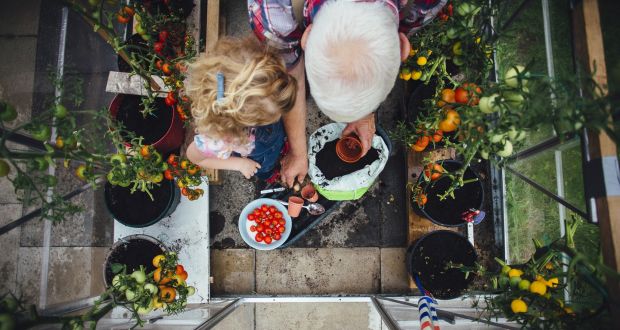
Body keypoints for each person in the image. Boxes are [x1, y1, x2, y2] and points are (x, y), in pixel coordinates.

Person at [248, 0, 446, 187]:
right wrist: (298, 152)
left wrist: (365, 113)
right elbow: (291, 77)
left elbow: (379, 51)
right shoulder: (274, 12)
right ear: (404, 48)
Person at [184, 37, 297, 180]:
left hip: (274, 138)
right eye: (273, 115)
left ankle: (280, 148)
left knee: (279, 139)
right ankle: (269, 173)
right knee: (265, 170)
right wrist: (239, 164)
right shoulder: (217, 139)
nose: (282, 115)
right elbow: (196, 158)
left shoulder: (262, 88)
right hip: (258, 159)